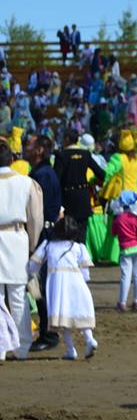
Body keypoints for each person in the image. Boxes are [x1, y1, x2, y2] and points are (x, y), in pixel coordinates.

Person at [27, 216, 98, 360]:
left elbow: (33, 266)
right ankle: (90, 339)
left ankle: (71, 349)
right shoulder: (78, 247)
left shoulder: (48, 245)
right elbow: (85, 273)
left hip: (57, 285)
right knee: (81, 312)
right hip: (76, 282)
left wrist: (30, 276)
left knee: (61, 318)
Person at [0, 140, 43, 361]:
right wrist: (32, 245)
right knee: (18, 296)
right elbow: (35, 218)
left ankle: (1, 347)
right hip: (17, 238)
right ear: (11, 159)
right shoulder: (26, 182)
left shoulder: (27, 182)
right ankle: (22, 346)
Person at [26, 133, 63, 351]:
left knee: (40, 286)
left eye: (29, 145)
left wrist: (32, 242)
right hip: (44, 233)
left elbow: (37, 212)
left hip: (42, 234)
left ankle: (48, 334)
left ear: (39, 150)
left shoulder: (42, 175)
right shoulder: (43, 172)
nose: (25, 148)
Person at [111, 190, 137, 312]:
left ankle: (122, 302)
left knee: (125, 276)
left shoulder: (118, 218)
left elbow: (113, 233)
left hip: (125, 249)